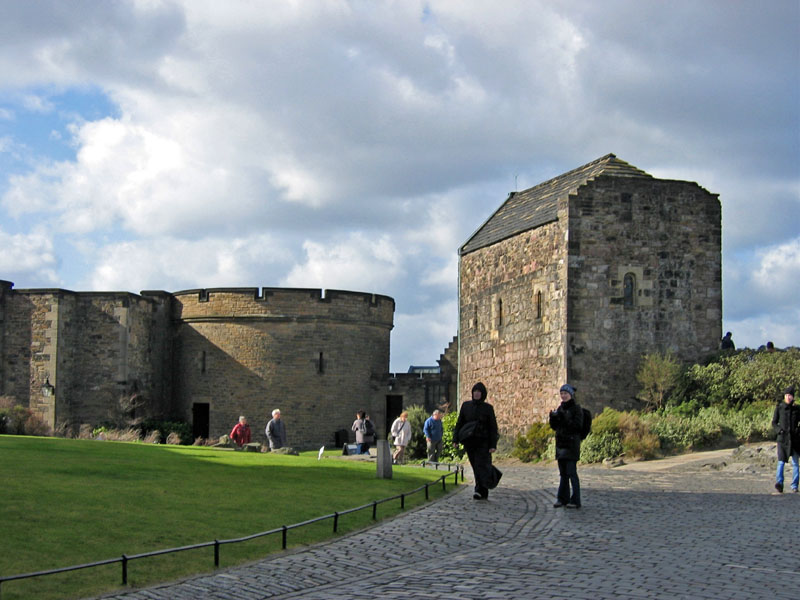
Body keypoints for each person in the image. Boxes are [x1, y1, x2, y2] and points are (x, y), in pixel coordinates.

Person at [453, 382, 499, 500]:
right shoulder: (466, 406)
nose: (477, 394)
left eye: (479, 392)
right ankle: (482, 489)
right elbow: (460, 423)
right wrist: (456, 439)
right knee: (475, 465)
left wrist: (493, 444)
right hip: (470, 441)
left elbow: (492, 427)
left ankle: (480, 489)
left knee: (482, 465)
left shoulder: (488, 408)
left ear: (482, 394)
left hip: (483, 442)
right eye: (475, 391)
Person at [549, 384, 585, 508]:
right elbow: (555, 427)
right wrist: (553, 418)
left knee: (572, 473)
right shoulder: (560, 408)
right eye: (562, 393)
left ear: (570, 395)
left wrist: (564, 418)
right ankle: (562, 498)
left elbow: (577, 426)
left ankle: (575, 500)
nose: (563, 396)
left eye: (565, 393)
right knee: (563, 474)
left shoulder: (576, 409)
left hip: (571, 445)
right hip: (561, 445)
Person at [772, 385, 799, 493]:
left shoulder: (797, 409)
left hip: (795, 440)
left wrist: (798, 431)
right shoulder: (779, 407)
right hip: (782, 439)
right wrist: (779, 430)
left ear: (793, 397)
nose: (788, 397)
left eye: (790, 396)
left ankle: (794, 485)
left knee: (796, 463)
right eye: (787, 395)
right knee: (781, 462)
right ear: (784, 396)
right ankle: (779, 483)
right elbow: (774, 422)